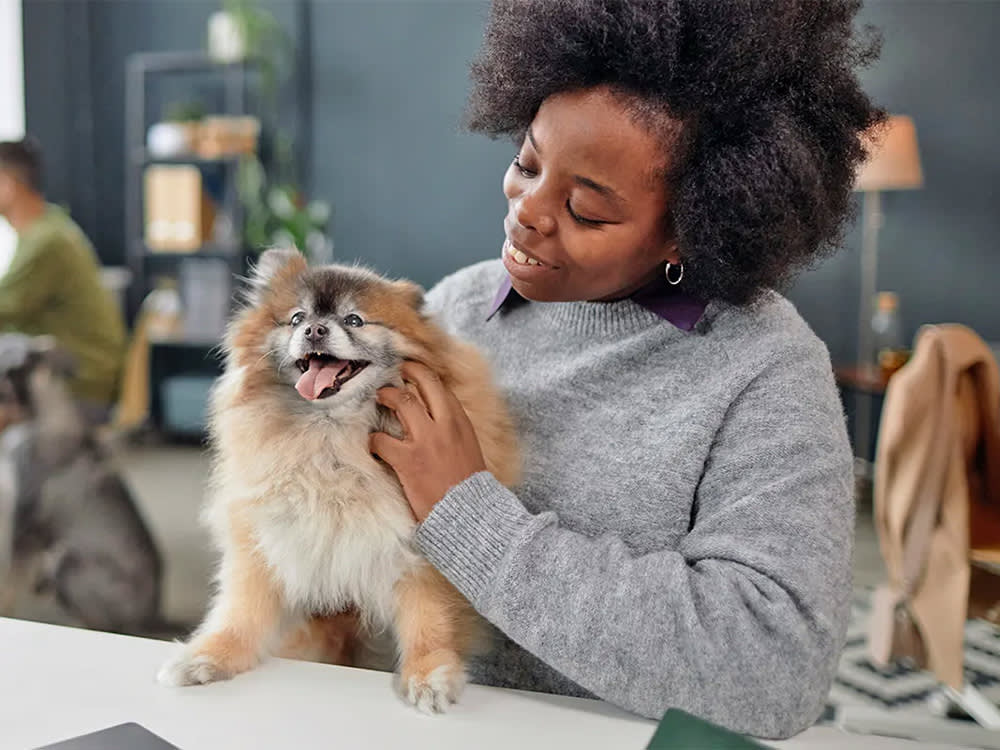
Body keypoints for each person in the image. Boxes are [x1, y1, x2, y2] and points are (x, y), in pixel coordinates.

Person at [369, 0, 885, 740]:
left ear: (688, 229)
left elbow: (775, 670)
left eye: (586, 210)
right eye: (526, 162)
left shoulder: (766, 372)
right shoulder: (458, 309)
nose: (528, 212)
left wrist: (468, 516)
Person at [0, 138, 126, 424]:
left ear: (7, 184)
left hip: (78, 385)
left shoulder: (46, 242)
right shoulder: (47, 226)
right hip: (79, 374)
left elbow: (5, 308)